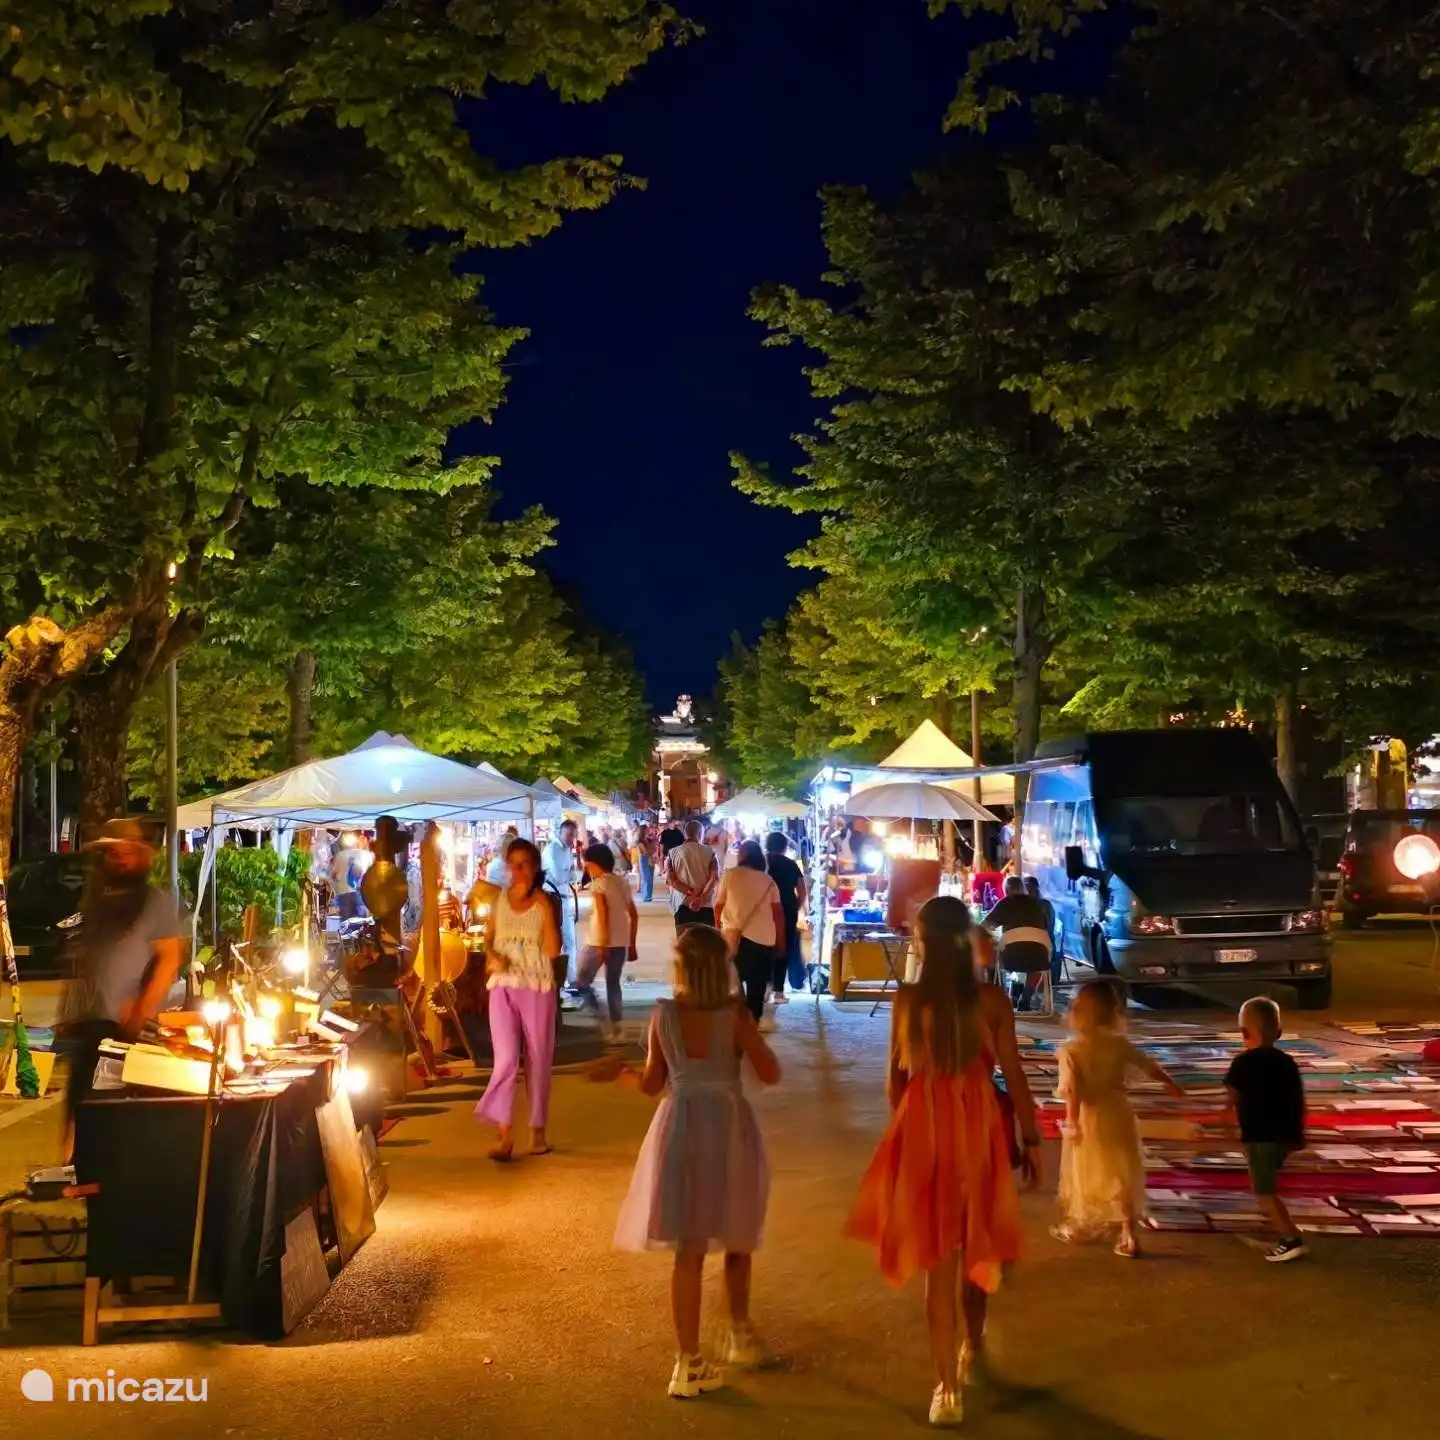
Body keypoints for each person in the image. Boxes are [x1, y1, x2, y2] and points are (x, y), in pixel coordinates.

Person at [846, 895, 1041, 1427]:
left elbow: (894, 1082)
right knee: (975, 1237)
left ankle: (946, 1390)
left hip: (924, 1128)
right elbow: (1015, 1075)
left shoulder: (908, 1001)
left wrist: (908, 1128)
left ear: (923, 943)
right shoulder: (993, 1001)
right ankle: (972, 1345)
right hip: (978, 1129)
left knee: (938, 1258)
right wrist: (1031, 1138)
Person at [613, 925, 781, 1398]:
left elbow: (652, 1084)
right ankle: (739, 1332)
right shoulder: (735, 1015)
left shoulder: (664, 1015)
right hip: (728, 1127)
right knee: (737, 1232)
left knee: (688, 1251)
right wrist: (745, 1044)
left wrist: (621, 1073)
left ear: (682, 968)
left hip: (681, 1126)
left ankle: (688, 1361)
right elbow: (770, 1071)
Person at [56, 820, 186, 1154]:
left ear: (141, 856)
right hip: (89, 1021)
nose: (120, 858)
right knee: (80, 1106)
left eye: (127, 852)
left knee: (111, 1111)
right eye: (113, 853)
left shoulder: (154, 903)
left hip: (124, 1025)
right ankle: (74, 1167)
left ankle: (99, 1170)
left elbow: (169, 960)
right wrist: (70, 1010)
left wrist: (141, 1012)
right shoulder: (95, 900)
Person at [1053, 980, 1183, 1258]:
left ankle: (1084, 1224)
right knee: (1122, 1172)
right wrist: (1170, 1083)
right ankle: (1128, 1233)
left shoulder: (1071, 1051)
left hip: (1090, 1117)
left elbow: (1073, 1091)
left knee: (1089, 1172)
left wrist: (1072, 1122)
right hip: (1118, 1112)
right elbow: (1147, 1064)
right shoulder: (1118, 1043)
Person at [474, 839, 562, 1162]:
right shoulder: (499, 899)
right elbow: (488, 939)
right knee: (506, 1059)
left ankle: (537, 1132)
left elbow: (553, 950)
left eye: (524, 864)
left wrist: (543, 906)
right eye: (513, 863)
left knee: (539, 1059)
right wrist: (494, 956)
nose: (518, 870)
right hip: (502, 984)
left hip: (537, 984)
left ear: (535, 867)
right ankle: (505, 1133)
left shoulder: (544, 902)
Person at [1225, 996, 1308, 1263]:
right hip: (1284, 1136)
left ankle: (1290, 1238)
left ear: (1243, 1033)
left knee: (1264, 1192)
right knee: (1267, 1184)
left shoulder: (1242, 1064)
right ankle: (1281, 1230)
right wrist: (1299, 1134)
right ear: (1279, 1032)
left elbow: (1231, 1099)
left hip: (1259, 1137)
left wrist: (1224, 1125)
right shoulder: (1287, 1062)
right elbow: (1299, 1100)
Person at [715, 841, 785, 1022]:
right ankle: (753, 1021)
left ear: (742, 856)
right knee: (757, 986)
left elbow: (718, 906)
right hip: (763, 940)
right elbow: (778, 915)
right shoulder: (768, 882)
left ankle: (738, 1021)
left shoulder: (730, 875)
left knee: (734, 984)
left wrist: (717, 931)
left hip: (734, 939)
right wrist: (781, 940)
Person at [575, 842, 638, 1040]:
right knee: (613, 984)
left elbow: (603, 915)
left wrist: (603, 945)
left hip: (597, 942)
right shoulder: (622, 882)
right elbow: (633, 915)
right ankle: (617, 1027)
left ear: (595, 864)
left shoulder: (598, 884)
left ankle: (600, 1019)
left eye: (587, 865)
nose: (586, 868)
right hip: (620, 942)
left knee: (582, 981)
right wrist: (632, 944)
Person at [981, 875, 1053, 1011]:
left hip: (1010, 959)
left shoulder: (1005, 903)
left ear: (1006, 891)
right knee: (1035, 962)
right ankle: (1024, 999)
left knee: (991, 958)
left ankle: (1001, 999)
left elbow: (984, 926)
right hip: (1040, 958)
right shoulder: (1037, 904)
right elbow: (1046, 929)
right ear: (1022, 888)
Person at [764, 832, 807, 1003]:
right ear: (784, 847)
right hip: (787, 910)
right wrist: (795, 906)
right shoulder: (791, 864)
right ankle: (779, 991)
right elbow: (802, 890)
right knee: (783, 948)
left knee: (764, 947)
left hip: (764, 911)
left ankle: (765, 987)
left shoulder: (761, 862)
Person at [542, 819, 581, 978]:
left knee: (570, 941)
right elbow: (560, 877)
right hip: (553, 899)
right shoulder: (553, 849)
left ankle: (571, 977)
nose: (571, 838)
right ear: (560, 832)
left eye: (573, 835)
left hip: (564, 898)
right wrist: (568, 874)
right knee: (557, 941)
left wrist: (569, 873)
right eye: (569, 834)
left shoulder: (567, 849)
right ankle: (561, 978)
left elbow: (573, 876)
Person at [665, 820, 719, 931]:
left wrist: (691, 892)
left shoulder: (672, 853)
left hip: (682, 904)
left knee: (685, 940)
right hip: (706, 906)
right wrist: (702, 897)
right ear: (700, 834)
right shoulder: (711, 852)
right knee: (706, 940)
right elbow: (714, 878)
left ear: (685, 834)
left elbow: (671, 880)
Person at [1022, 875, 1062, 987]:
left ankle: (1024, 988)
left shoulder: (1045, 905)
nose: (1029, 892)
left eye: (1031, 888)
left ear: (1036, 889)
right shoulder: (1023, 906)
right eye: (1027, 889)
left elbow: (1048, 929)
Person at [330, 833, 371, 920]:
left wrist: (336, 886)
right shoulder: (365, 854)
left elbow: (333, 875)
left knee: (346, 921)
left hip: (344, 893)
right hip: (360, 893)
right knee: (362, 921)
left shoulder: (340, 855)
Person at [637, 824, 658, 903]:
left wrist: (652, 849)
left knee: (650, 878)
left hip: (650, 858)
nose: (648, 830)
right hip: (644, 859)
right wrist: (651, 850)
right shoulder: (640, 841)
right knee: (646, 877)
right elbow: (645, 852)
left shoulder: (648, 839)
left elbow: (653, 849)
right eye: (647, 829)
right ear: (643, 831)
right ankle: (646, 896)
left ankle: (649, 895)